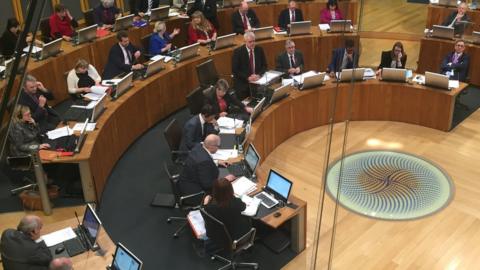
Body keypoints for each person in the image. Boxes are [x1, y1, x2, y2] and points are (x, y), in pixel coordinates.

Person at [231, 31, 267, 100]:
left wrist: (258, 75)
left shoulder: (259, 49)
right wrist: (248, 77)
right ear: (245, 42)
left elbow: (264, 65)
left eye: (254, 41)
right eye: (250, 42)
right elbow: (235, 70)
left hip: (257, 80)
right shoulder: (238, 52)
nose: (252, 43)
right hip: (243, 81)